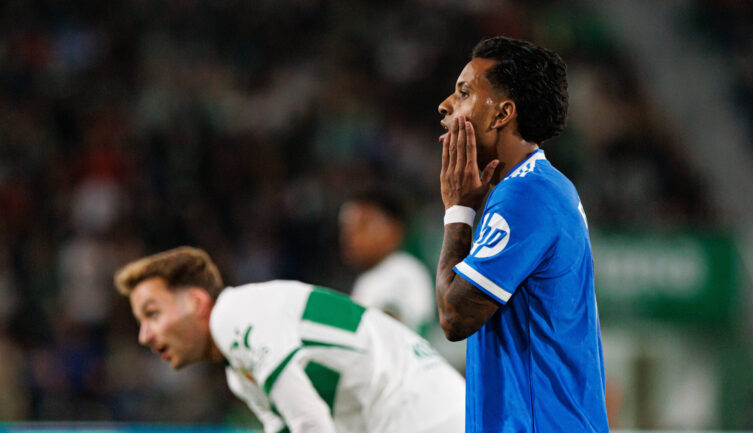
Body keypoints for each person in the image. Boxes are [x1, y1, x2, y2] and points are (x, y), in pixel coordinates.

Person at [434, 36, 609, 432]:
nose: (445, 105)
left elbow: (454, 315)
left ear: (502, 114)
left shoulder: (526, 195)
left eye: (464, 93)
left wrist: (458, 212)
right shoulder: (537, 187)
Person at [114, 246, 464, 433]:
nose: (145, 335)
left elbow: (310, 424)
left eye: (152, 313)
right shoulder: (240, 371)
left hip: (426, 416)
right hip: (435, 408)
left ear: (196, 302)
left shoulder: (233, 316)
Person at [338, 187, 435, 335]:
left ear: (394, 229)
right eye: (347, 227)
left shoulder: (402, 270)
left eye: (363, 225)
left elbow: (389, 328)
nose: (350, 236)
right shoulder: (370, 277)